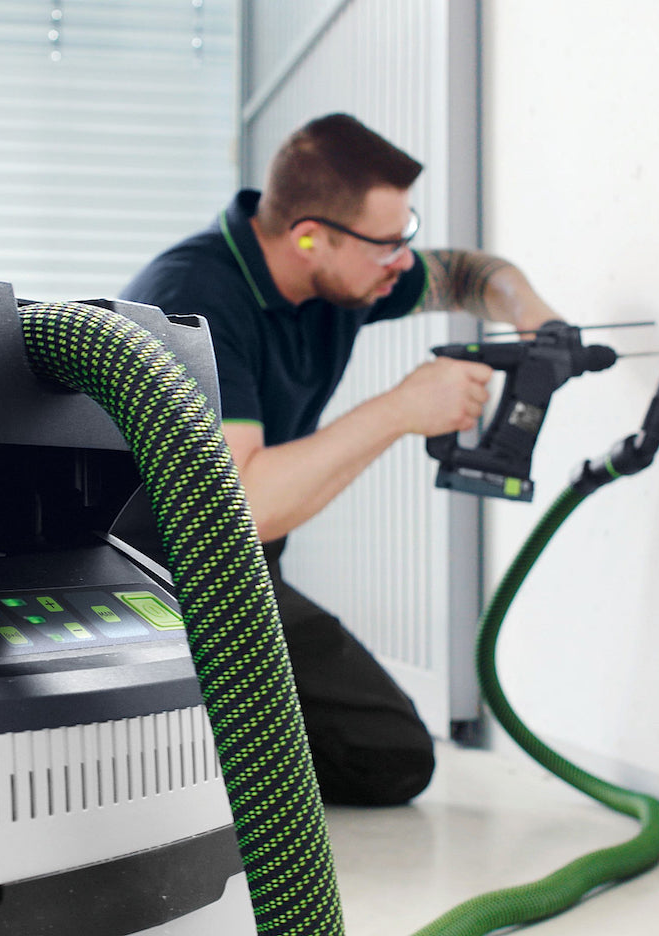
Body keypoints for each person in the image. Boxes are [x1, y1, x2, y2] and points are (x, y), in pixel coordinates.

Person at [120, 113, 559, 806]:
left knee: (389, 756)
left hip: (242, 574)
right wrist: (400, 409)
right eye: (387, 245)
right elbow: (241, 508)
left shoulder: (339, 282)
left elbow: (469, 275)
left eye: (405, 236)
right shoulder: (193, 300)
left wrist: (535, 317)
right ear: (308, 237)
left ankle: (191, 740)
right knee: (359, 754)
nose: (403, 262)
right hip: (152, 579)